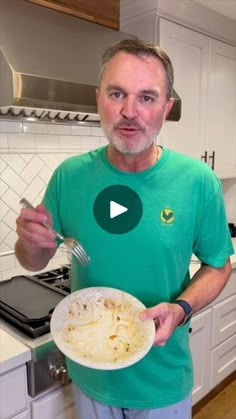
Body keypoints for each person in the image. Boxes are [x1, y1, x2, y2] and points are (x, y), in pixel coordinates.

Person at [15, 39, 234, 419]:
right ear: (99, 98)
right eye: (117, 93)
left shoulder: (198, 181)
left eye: (147, 97)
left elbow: (219, 264)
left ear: (166, 108)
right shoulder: (70, 177)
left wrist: (181, 308)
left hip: (163, 380)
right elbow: (34, 261)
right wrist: (29, 241)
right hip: (91, 377)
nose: (129, 111)